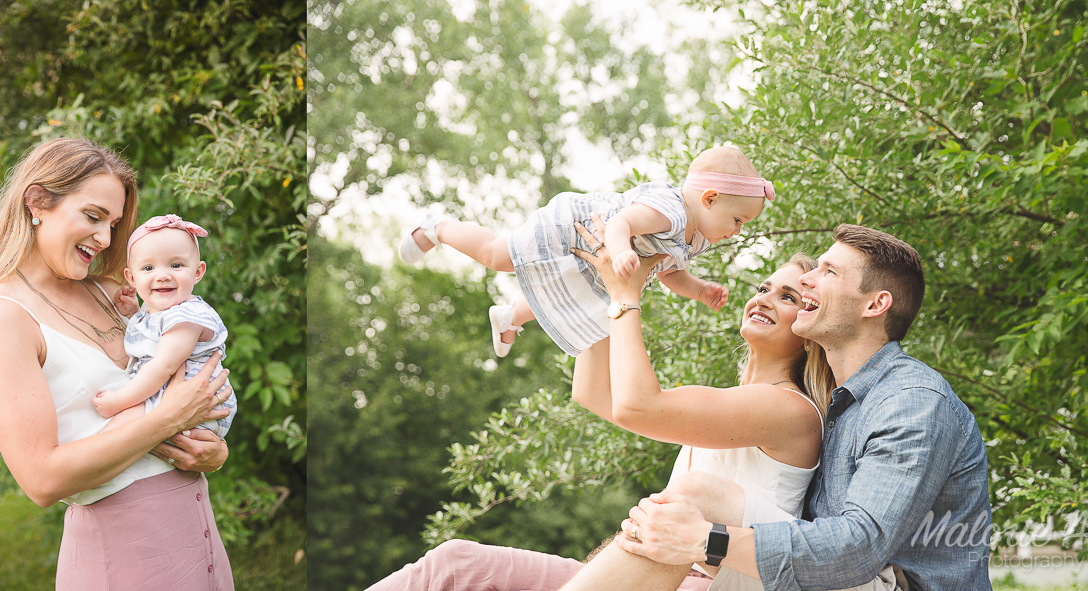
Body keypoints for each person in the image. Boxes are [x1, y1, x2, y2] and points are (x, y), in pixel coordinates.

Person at [366, 247, 892, 591]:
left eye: (789, 297)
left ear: (808, 327)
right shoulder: (734, 399)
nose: (765, 298)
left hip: (703, 582)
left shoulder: (788, 408)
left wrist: (625, 295)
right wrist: (594, 293)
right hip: (656, 571)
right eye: (764, 286)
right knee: (455, 562)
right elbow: (596, 394)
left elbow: (637, 405)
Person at [571, 224, 992, 591]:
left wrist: (705, 540)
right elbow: (600, 398)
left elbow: (858, 548)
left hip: (879, 583)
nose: (809, 279)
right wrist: (598, 288)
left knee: (697, 494)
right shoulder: (843, 406)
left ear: (874, 305)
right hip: (822, 575)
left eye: (827, 272)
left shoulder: (912, 402)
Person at [0, 138, 235, 590]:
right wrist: (169, 418)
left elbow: (179, 377)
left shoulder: (114, 293)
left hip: (198, 537)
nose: (105, 239)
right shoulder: (1, 316)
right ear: (37, 202)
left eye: (112, 224)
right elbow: (41, 479)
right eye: (93, 217)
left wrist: (213, 453)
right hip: (125, 555)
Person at [397, 145, 774, 358]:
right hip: (574, 229)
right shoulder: (671, 210)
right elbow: (621, 223)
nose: (738, 232)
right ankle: (437, 227)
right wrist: (621, 249)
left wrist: (699, 289)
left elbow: (668, 271)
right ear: (709, 199)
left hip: (596, 257)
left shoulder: (697, 238)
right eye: (738, 220)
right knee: (498, 257)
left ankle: (510, 316)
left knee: (575, 293)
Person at [92, 214, 238, 439]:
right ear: (132, 277)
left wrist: (119, 401)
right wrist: (134, 313)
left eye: (176, 265)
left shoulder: (188, 318)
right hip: (171, 399)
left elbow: (163, 366)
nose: (162, 275)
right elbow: (154, 338)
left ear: (198, 272)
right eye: (148, 268)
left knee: (109, 434)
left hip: (199, 408)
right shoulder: (160, 314)